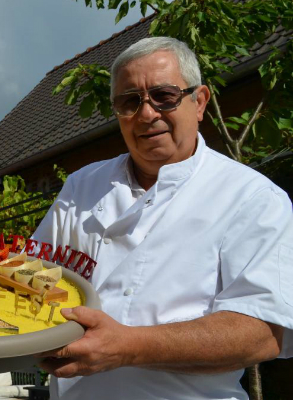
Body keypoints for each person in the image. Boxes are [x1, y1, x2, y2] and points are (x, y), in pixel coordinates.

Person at [31, 37, 292, 400]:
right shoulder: (82, 186)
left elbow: (261, 334)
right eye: (129, 102)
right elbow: (30, 278)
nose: (147, 114)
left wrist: (127, 346)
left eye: (164, 96)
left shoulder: (251, 197)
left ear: (199, 102)